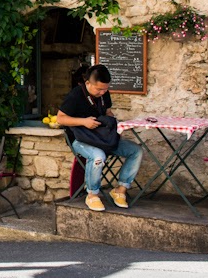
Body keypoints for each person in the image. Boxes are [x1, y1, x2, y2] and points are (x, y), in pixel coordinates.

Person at [56, 64, 143, 212]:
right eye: (99, 89)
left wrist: (114, 124)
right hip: (79, 139)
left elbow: (108, 111)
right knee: (98, 156)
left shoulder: (104, 94)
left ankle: (120, 190)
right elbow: (60, 119)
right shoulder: (75, 95)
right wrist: (84, 122)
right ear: (87, 83)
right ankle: (92, 194)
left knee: (136, 151)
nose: (102, 92)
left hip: (102, 138)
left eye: (105, 89)